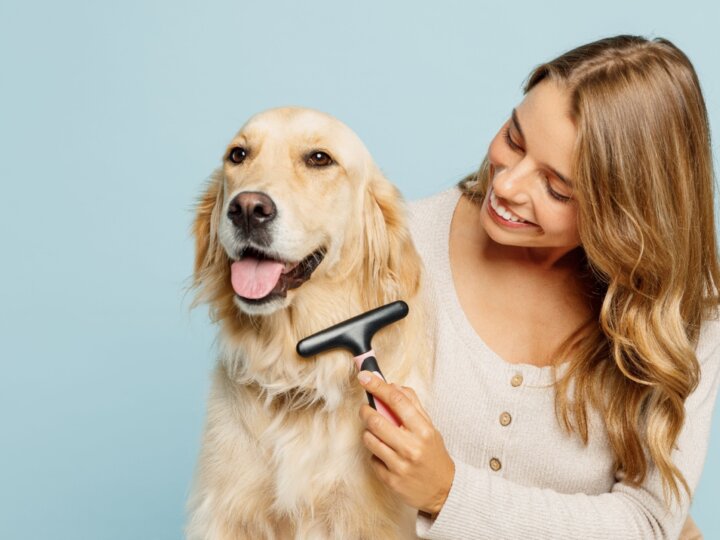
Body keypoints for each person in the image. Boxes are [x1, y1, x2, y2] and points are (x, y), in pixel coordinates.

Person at [356, 35, 719, 539]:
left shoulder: (680, 313)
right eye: (514, 138)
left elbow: (649, 523)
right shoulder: (397, 249)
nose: (506, 185)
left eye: (556, 187)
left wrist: (448, 493)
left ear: (624, 215)